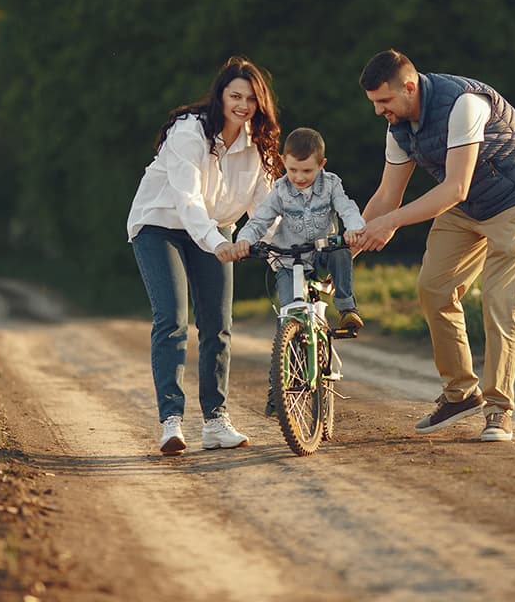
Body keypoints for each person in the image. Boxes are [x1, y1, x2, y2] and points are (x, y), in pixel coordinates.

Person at [354, 49, 515, 442]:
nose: (379, 111)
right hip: (466, 206)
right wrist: (348, 250)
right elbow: (386, 197)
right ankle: (461, 394)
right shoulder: (399, 129)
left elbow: (454, 186)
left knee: (499, 301)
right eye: (374, 103)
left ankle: (499, 410)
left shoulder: (463, 103)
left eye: (384, 101)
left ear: (409, 87)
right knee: (433, 288)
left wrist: (392, 223)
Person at [127, 56, 284, 456]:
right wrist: (217, 244)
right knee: (174, 319)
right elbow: (188, 201)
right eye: (235, 95)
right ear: (220, 96)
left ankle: (215, 422)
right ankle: (171, 422)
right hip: (161, 225)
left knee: (218, 325)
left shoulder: (257, 145)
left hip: (217, 232)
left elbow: (264, 209)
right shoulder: (189, 133)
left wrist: (284, 253)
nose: (242, 105)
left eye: (251, 99)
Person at [233, 126, 366, 329]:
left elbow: (346, 208)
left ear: (322, 165)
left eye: (307, 171)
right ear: (283, 161)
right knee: (289, 312)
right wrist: (244, 240)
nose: (299, 177)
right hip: (289, 258)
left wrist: (354, 229)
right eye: (293, 170)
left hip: (323, 251)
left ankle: (346, 308)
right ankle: (287, 352)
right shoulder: (279, 191)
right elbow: (260, 220)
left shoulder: (331, 185)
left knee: (341, 251)